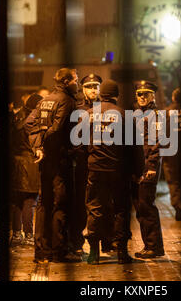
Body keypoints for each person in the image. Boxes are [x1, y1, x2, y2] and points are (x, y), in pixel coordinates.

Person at [25, 68, 80, 263]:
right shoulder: (66, 101)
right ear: (66, 81)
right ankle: (59, 251)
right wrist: (47, 146)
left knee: (43, 204)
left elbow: (29, 123)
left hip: (45, 161)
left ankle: (41, 251)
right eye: (75, 79)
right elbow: (57, 130)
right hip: (59, 160)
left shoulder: (45, 99)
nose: (78, 83)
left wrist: (38, 146)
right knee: (60, 204)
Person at [84, 79, 139, 264]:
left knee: (95, 208)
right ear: (117, 95)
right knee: (121, 210)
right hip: (118, 170)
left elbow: (81, 144)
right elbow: (134, 147)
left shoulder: (89, 114)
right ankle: (122, 252)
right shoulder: (124, 115)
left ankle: (93, 253)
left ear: (101, 94)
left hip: (96, 168)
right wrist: (138, 170)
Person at [68, 73, 104, 256]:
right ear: (83, 89)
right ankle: (77, 242)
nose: (93, 89)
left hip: (101, 162)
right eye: (89, 86)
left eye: (96, 86)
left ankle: (104, 241)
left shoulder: (104, 108)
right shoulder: (77, 109)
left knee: (102, 203)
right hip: (82, 162)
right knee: (80, 204)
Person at [132, 80, 165, 259]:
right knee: (140, 207)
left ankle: (154, 247)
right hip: (137, 167)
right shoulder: (137, 114)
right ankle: (149, 245)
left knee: (146, 207)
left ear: (153, 95)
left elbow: (158, 143)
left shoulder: (156, 115)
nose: (142, 97)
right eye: (139, 94)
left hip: (148, 167)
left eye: (146, 93)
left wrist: (152, 166)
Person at [10, 93, 43, 246]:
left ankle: (16, 234)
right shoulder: (34, 121)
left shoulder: (16, 118)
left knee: (16, 201)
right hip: (31, 163)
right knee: (30, 201)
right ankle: (29, 235)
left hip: (15, 162)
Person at [162, 88, 181, 221]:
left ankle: (178, 206)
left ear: (173, 98)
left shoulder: (166, 112)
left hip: (171, 153)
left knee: (174, 180)